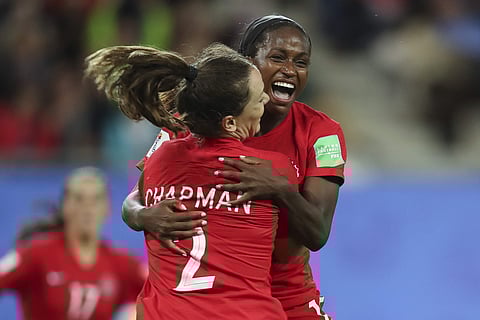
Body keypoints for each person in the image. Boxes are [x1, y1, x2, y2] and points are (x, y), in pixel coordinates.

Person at [123, 15, 347, 320]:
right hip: (215, 300)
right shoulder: (190, 120)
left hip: (288, 296)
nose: (290, 70)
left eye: (301, 62)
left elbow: (318, 233)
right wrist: (145, 215)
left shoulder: (321, 132)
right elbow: (133, 202)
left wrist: (279, 188)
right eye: (278, 57)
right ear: (248, 63)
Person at [85, 43, 297, 319]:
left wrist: (142, 215)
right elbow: (298, 246)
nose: (267, 100)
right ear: (230, 123)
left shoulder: (161, 158)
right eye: (258, 99)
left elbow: (137, 195)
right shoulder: (274, 168)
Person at [0, 167, 145, 320]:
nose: (87, 209)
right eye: (79, 199)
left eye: (96, 200)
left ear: (107, 208)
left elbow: (166, 292)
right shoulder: (36, 254)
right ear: (65, 206)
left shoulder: (121, 263)